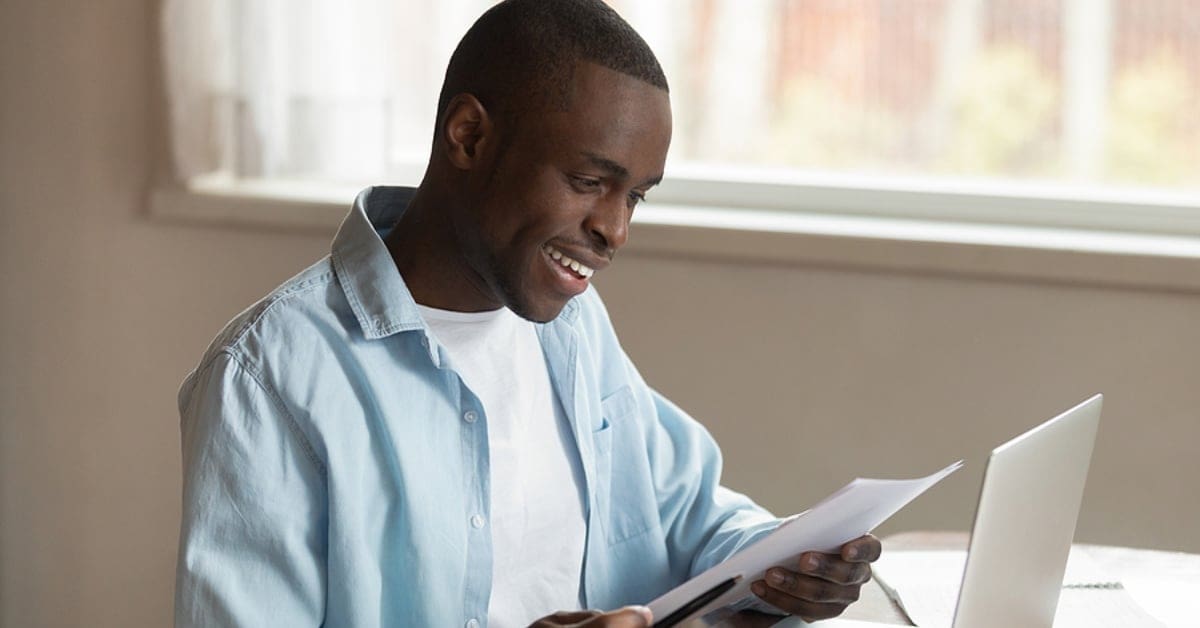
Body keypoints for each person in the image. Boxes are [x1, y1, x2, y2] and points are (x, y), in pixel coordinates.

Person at [173, 1, 881, 626]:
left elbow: (687, 513)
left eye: (635, 196)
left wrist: (789, 567)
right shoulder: (269, 379)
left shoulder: (572, 328)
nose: (615, 230)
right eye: (588, 181)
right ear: (469, 136)